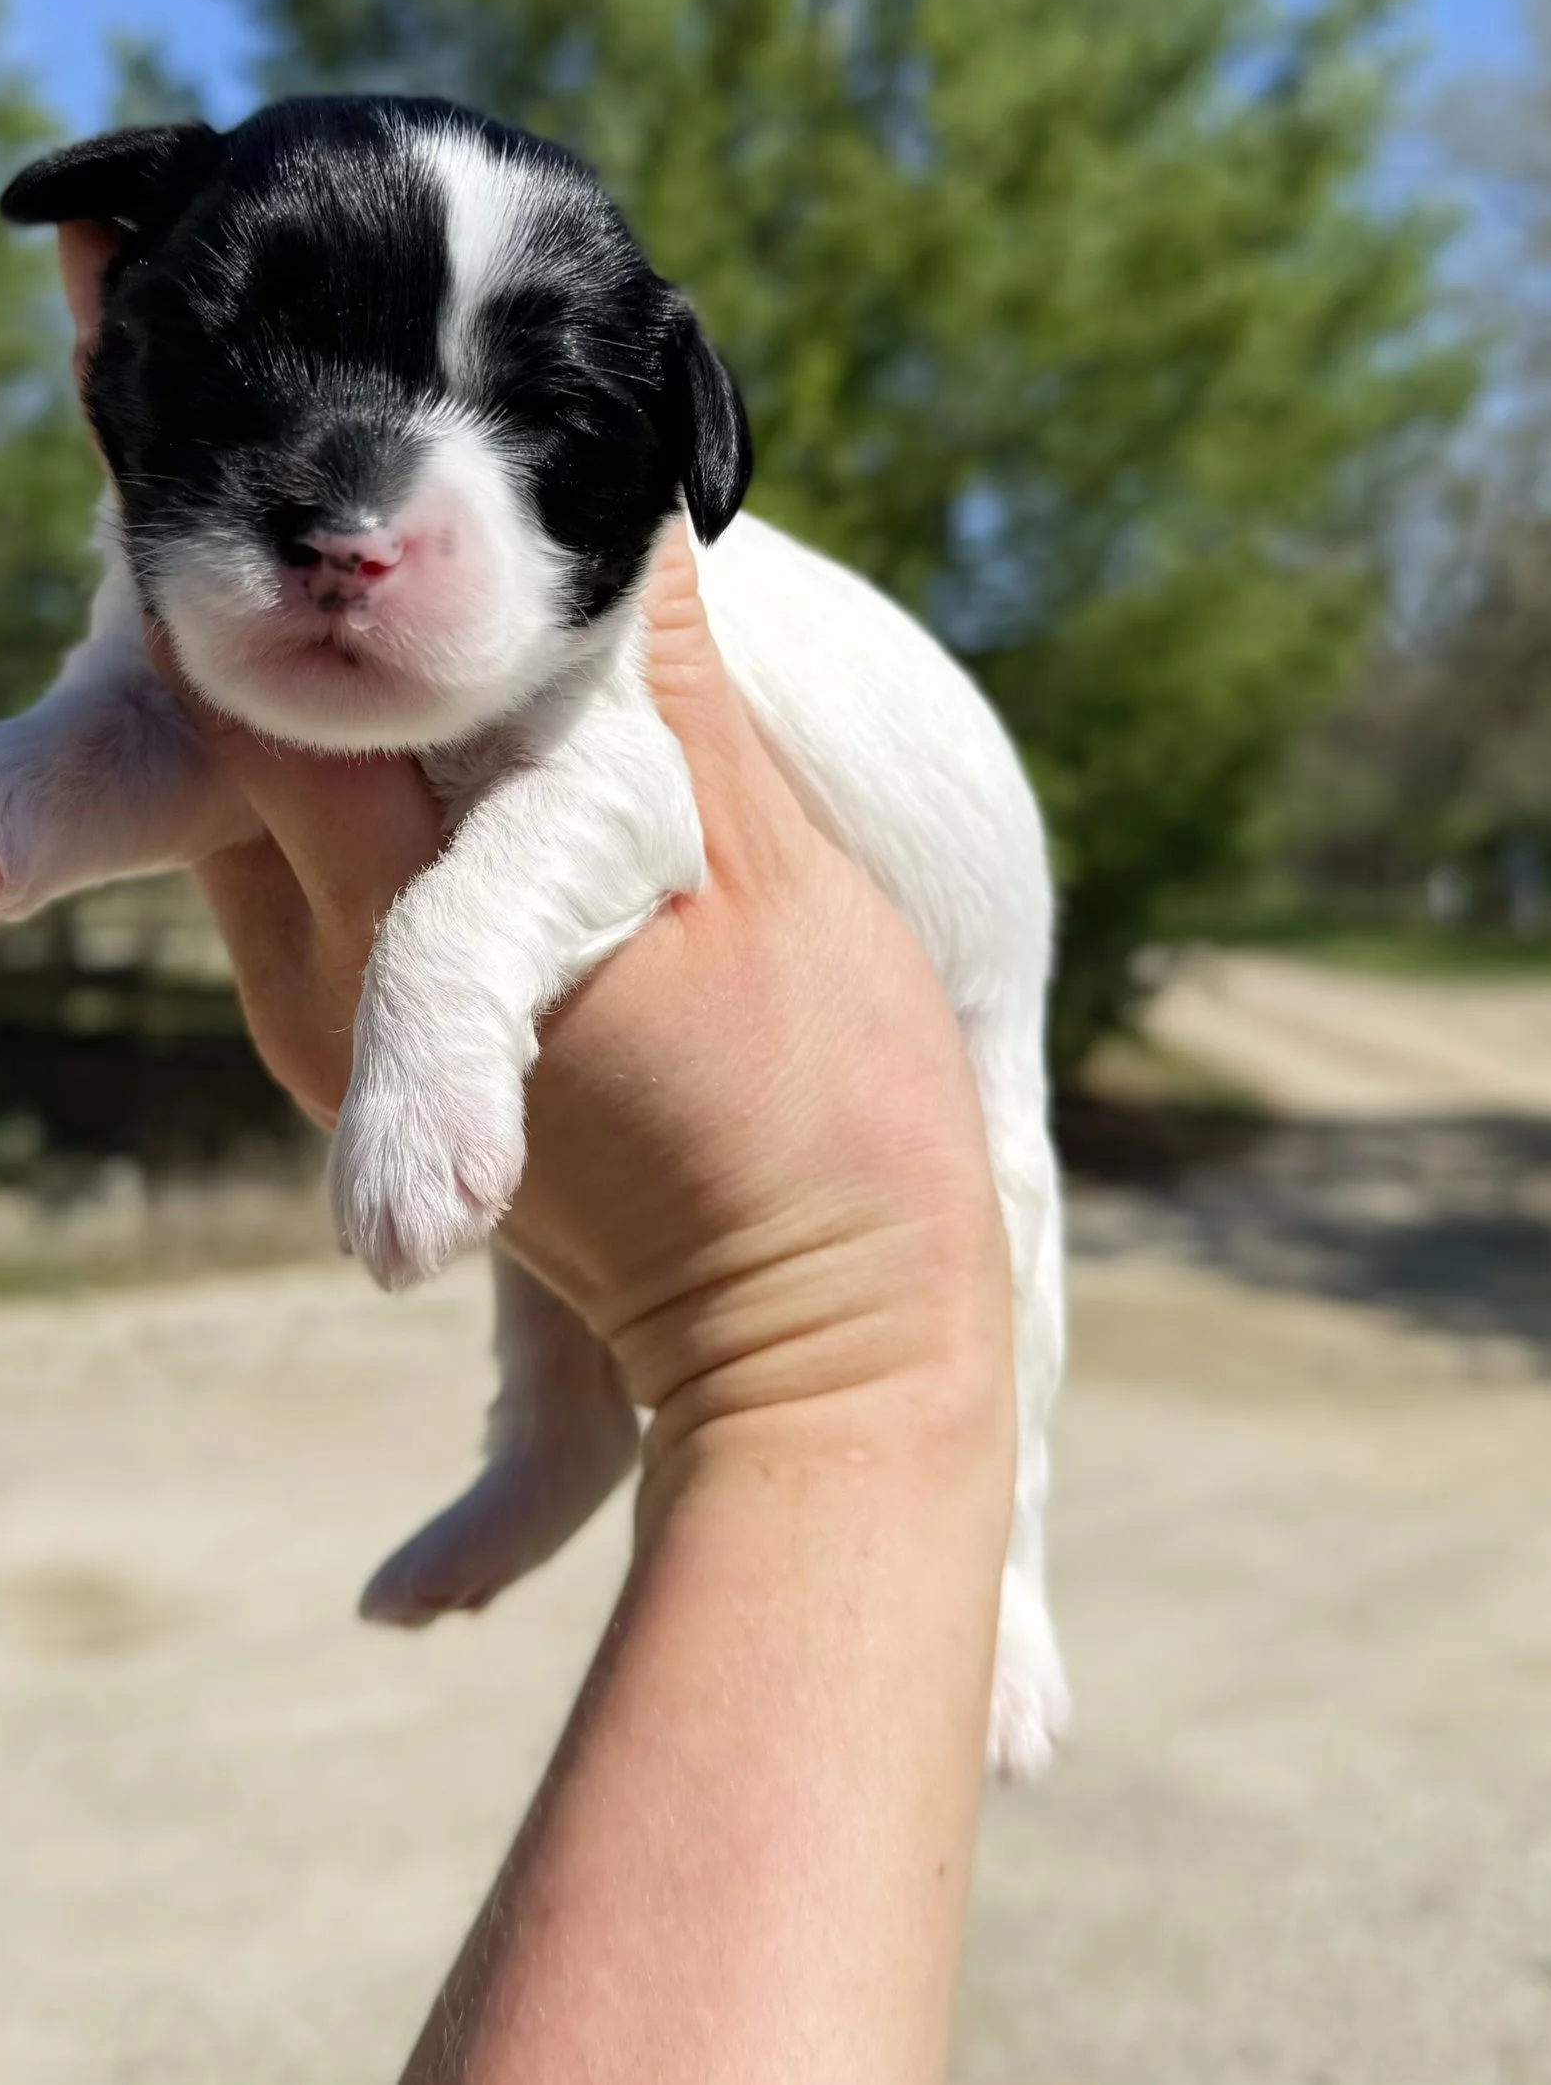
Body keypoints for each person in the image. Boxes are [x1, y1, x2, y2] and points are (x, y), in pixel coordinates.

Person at [60, 224, 1018, 2084]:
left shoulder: (611, 563)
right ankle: (554, 1440)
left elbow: (621, 793)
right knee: (512, 1137)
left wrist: (833, 1345)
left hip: (935, 937)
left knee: (990, 1182)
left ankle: (1008, 1563)